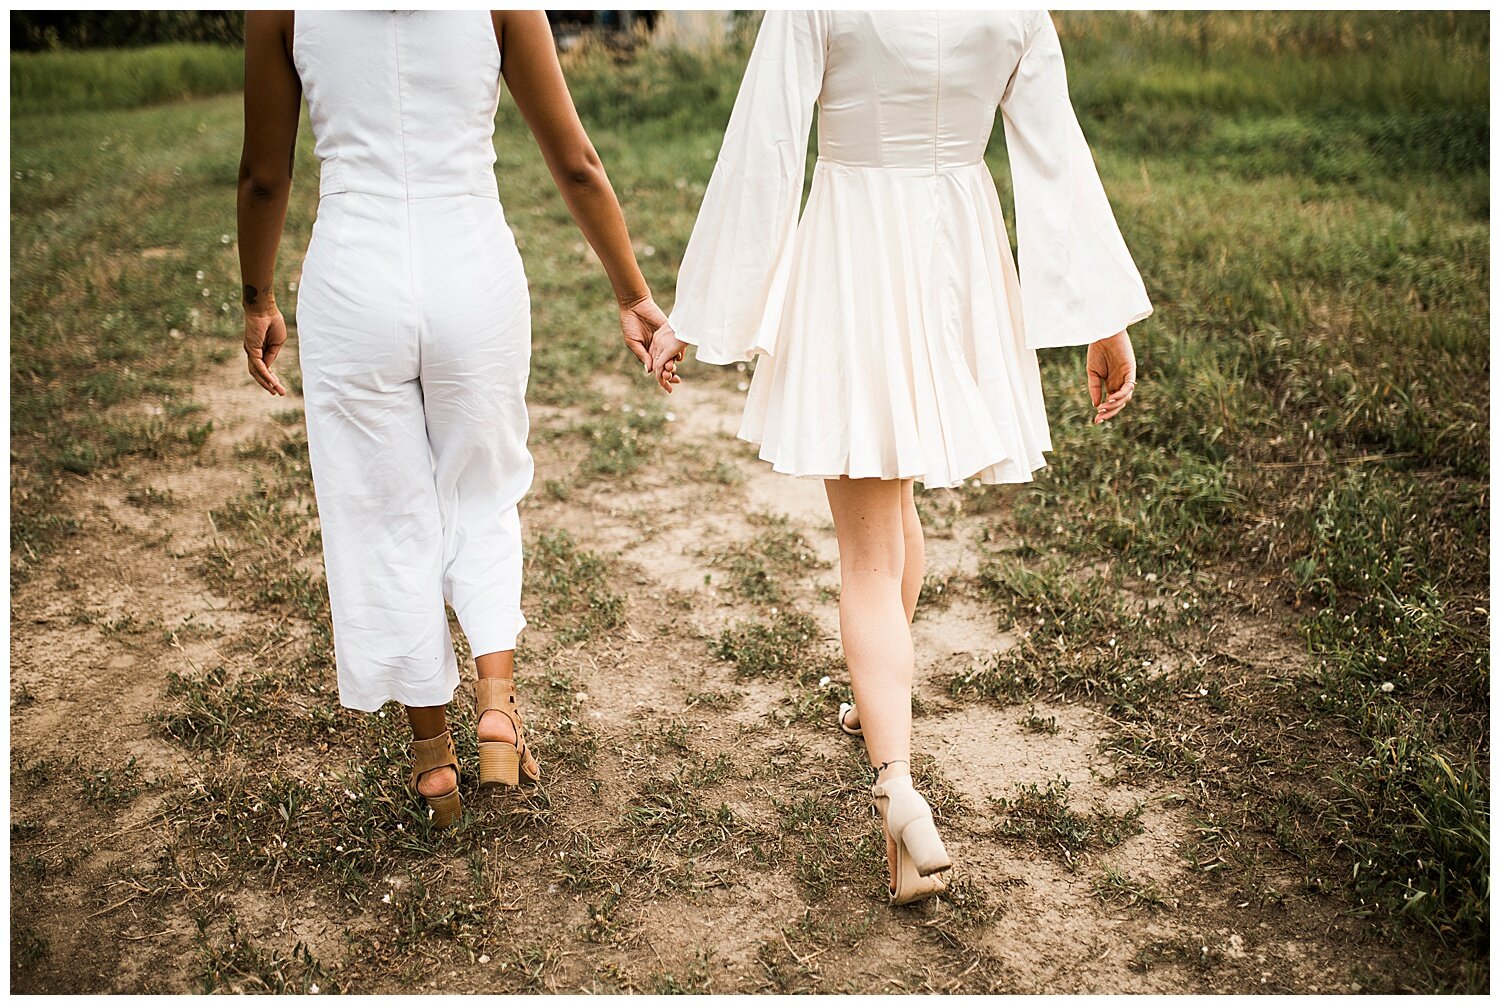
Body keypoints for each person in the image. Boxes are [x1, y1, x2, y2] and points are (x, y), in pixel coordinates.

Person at [651, 11, 1150, 904]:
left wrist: (699, 311)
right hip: (955, 252)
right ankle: (873, 702)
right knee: (898, 502)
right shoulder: (1014, 9)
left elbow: (764, 146)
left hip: (855, 248)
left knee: (868, 556)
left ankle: (897, 782)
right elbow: (1054, 155)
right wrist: (1101, 316)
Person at [236, 10, 675, 827]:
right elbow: (575, 162)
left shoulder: (283, 10)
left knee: (380, 511)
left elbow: (265, 175)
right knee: (483, 487)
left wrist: (257, 294)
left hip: (353, 278)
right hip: (472, 268)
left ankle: (433, 759)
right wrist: (632, 291)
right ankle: (498, 710)